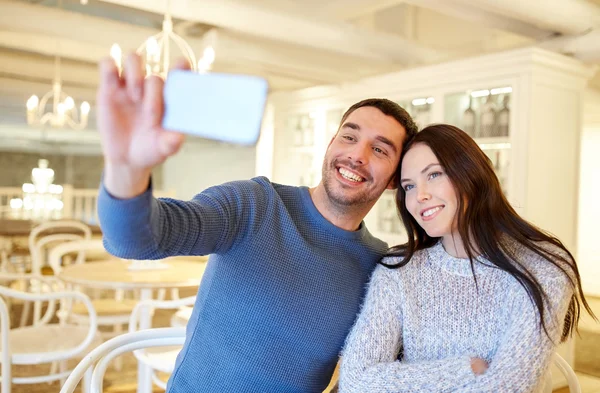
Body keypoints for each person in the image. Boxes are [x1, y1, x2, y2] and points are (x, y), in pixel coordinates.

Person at [95, 53, 418, 392]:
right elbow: (137, 240)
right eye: (349, 137)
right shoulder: (253, 204)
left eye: (380, 150)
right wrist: (126, 169)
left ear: (395, 179)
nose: (357, 155)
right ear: (331, 144)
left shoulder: (380, 268)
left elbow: (368, 374)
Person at [339, 124, 595, 393]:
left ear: (471, 174)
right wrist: (464, 370)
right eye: (409, 186)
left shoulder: (542, 267)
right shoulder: (397, 271)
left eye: (434, 174)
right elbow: (356, 381)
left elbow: (509, 388)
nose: (420, 196)